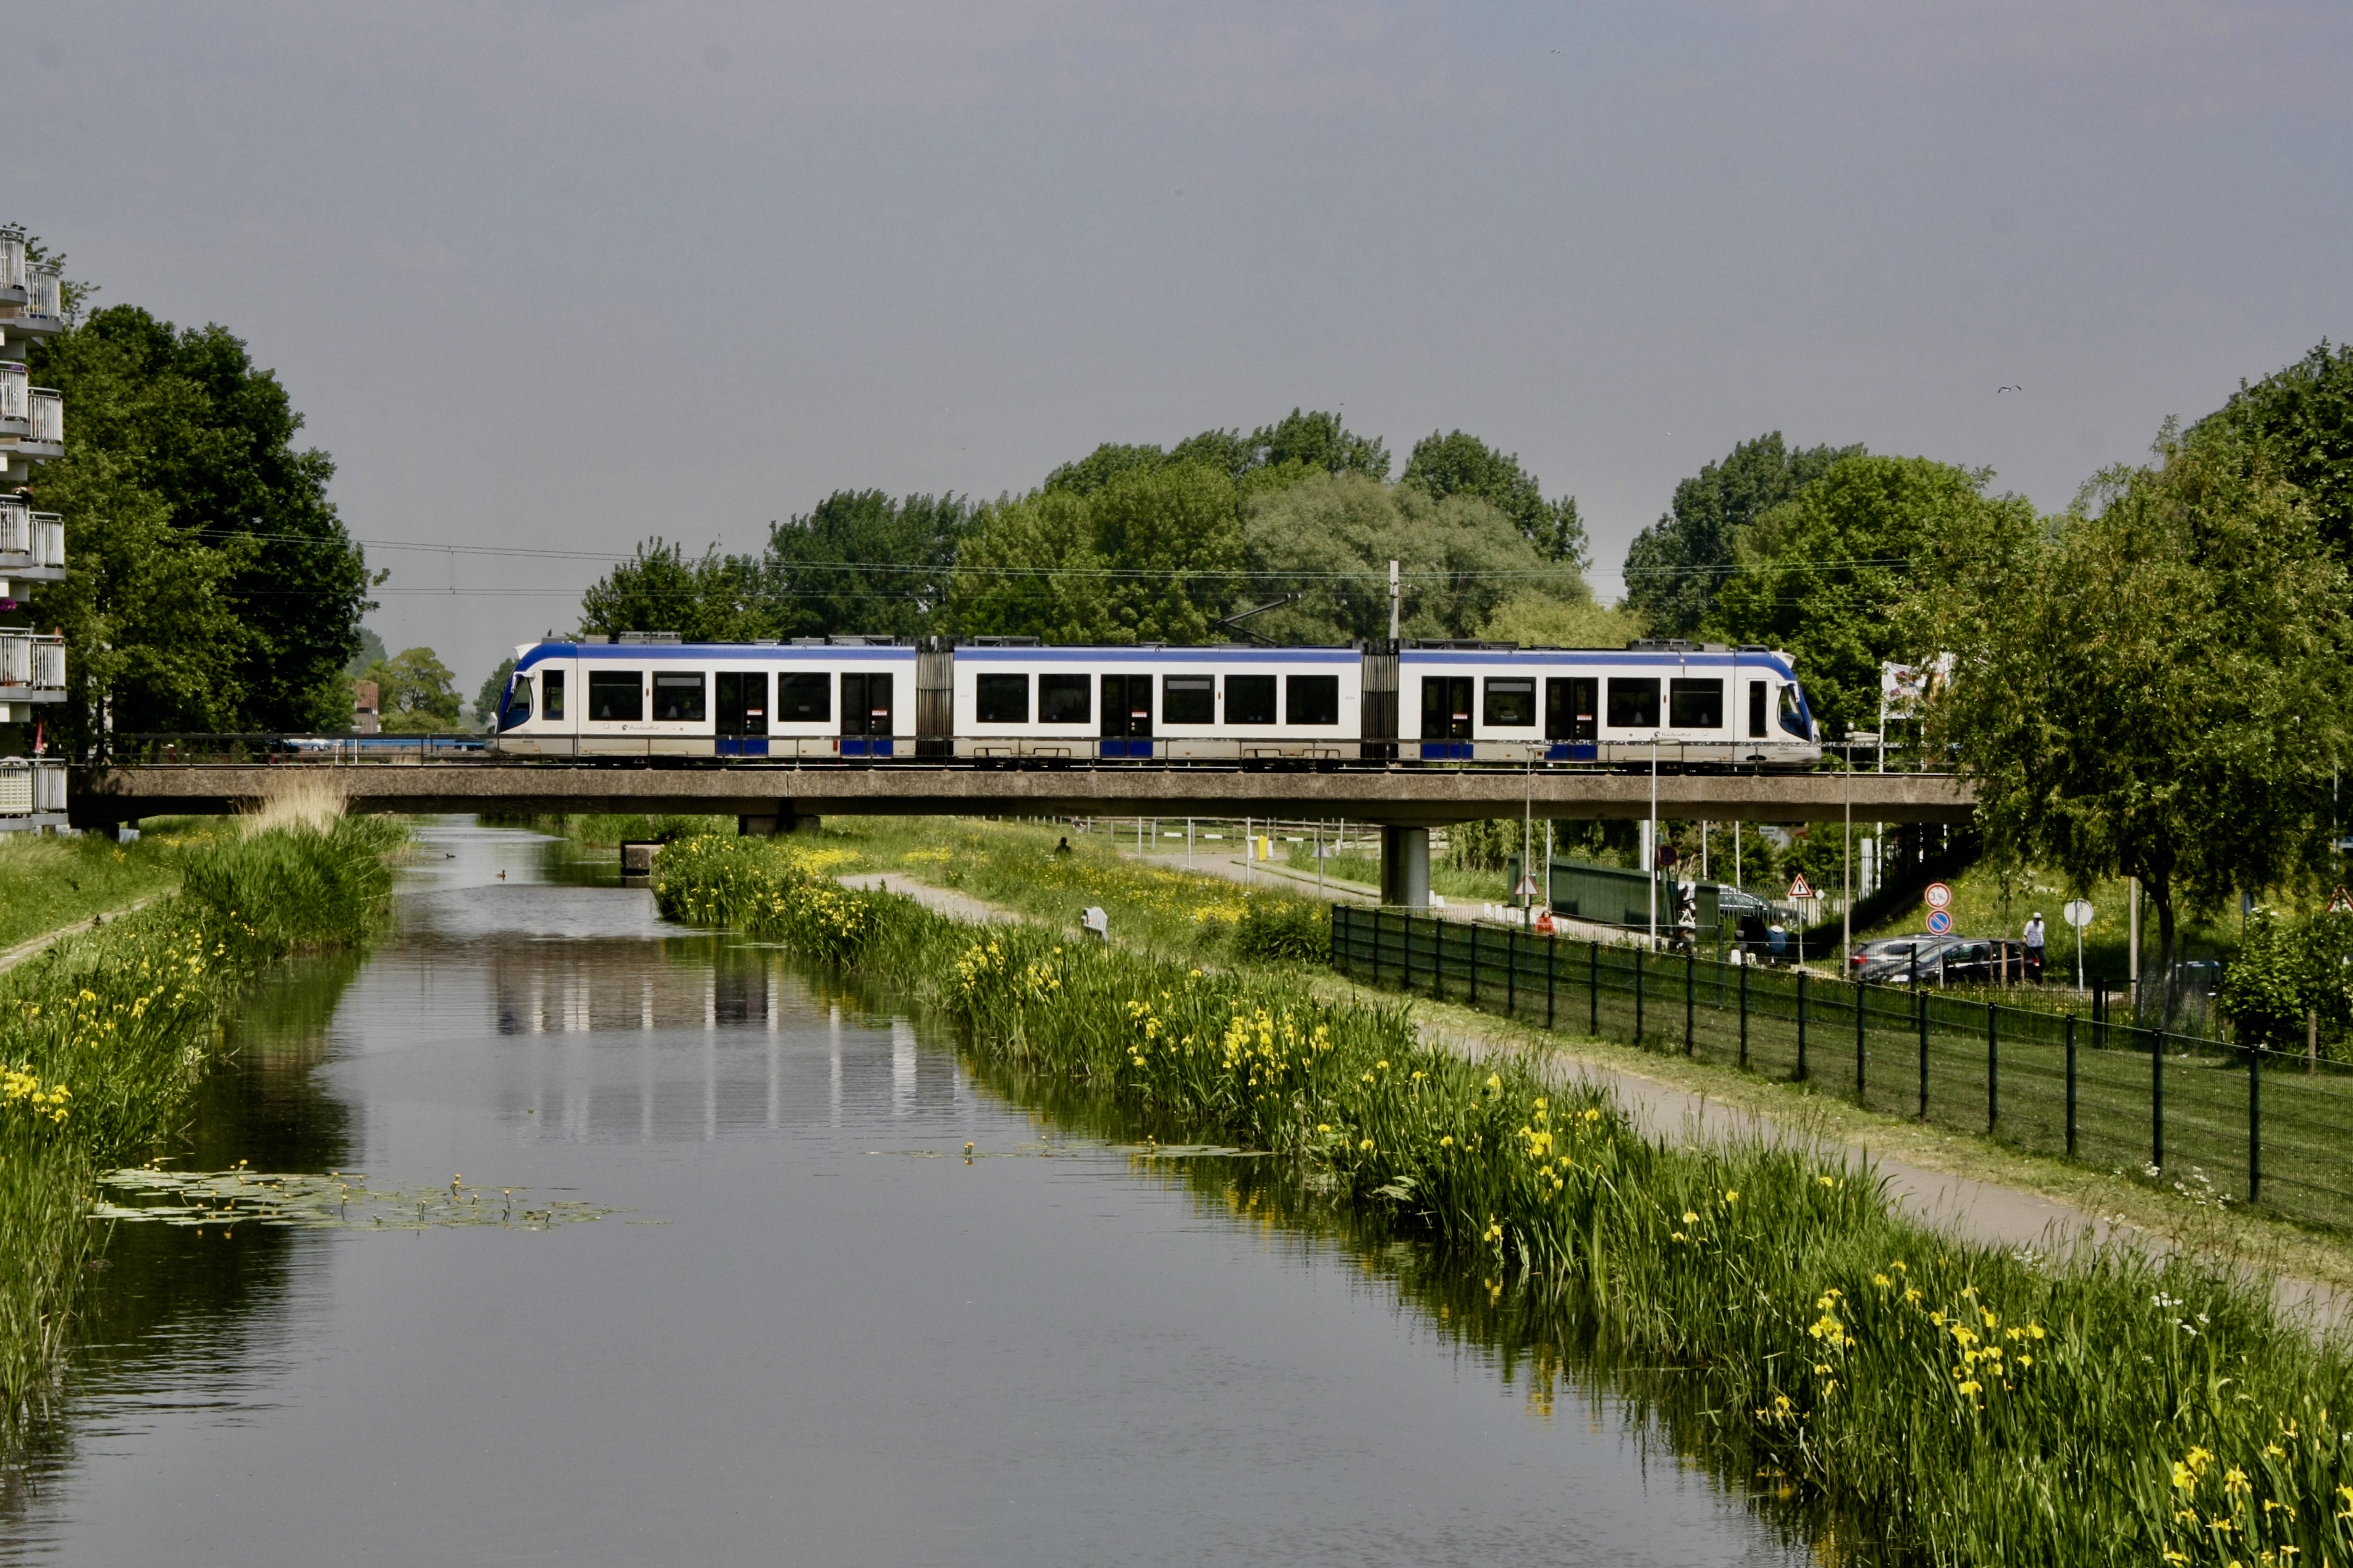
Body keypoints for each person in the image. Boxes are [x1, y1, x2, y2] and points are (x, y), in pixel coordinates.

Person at [2023, 912, 2046, 984]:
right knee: (2033, 962)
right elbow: (2025, 935)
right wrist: (2024, 941)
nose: (2038, 921)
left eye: (2039, 919)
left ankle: (2039, 973)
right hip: (2031, 946)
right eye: (2037, 919)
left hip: (2040, 945)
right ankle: (2033, 975)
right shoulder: (2029, 925)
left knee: (2043, 960)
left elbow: (2042, 933)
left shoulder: (2042, 924)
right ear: (2034, 919)